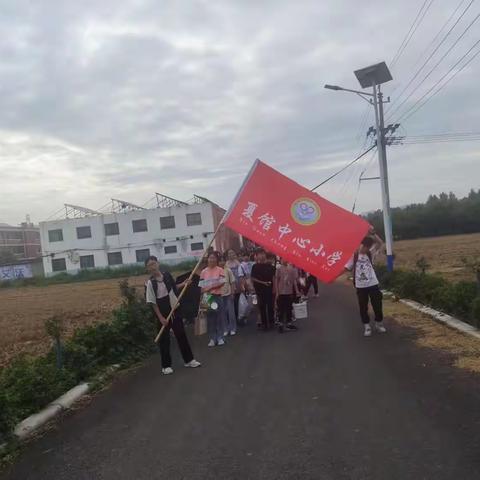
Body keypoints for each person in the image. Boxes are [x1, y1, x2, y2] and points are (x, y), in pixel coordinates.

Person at [145, 256, 201, 375]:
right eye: (149, 265)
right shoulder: (150, 283)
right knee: (164, 340)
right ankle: (166, 366)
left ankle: (189, 360)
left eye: (153, 263)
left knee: (181, 334)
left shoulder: (167, 276)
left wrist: (184, 284)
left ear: (158, 264)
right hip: (162, 311)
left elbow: (173, 288)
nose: (152, 267)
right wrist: (161, 318)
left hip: (174, 308)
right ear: (147, 268)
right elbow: (153, 303)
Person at [344, 227, 387, 337]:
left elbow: (380, 243)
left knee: (377, 304)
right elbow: (346, 268)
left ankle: (378, 323)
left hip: (373, 283)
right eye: (363, 246)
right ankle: (367, 326)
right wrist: (333, 277)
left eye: (367, 247)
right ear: (359, 245)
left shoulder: (370, 253)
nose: (365, 249)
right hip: (360, 285)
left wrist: (373, 232)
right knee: (363, 306)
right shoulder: (353, 256)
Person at [200, 252, 226, 347]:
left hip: (217, 296)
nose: (212, 259)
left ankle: (220, 337)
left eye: (214, 258)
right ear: (207, 259)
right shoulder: (203, 272)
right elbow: (202, 287)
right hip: (207, 297)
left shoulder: (220, 270)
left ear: (217, 260)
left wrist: (210, 287)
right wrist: (202, 299)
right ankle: (212, 338)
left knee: (219, 317)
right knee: (210, 319)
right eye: (210, 258)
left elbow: (222, 282)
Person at [251, 248, 277, 330]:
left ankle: (271, 322)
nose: (261, 256)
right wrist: (262, 283)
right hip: (259, 289)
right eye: (259, 254)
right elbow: (252, 278)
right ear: (256, 256)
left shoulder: (271, 267)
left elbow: (274, 278)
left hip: (269, 289)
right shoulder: (255, 267)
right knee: (261, 306)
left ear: (265, 255)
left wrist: (274, 288)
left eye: (263, 254)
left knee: (270, 306)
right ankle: (264, 324)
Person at [276, 259, 300, 333]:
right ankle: (280, 324)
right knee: (281, 309)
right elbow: (276, 280)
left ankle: (288, 324)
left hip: (289, 292)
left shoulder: (292, 269)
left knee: (289, 308)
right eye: (282, 259)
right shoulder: (279, 269)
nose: (284, 260)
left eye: (286, 258)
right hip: (281, 292)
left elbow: (294, 281)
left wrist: (297, 291)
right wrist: (277, 292)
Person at [226, 249, 246, 322]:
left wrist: (242, 284)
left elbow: (241, 274)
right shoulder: (226, 264)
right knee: (232, 301)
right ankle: (233, 317)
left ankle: (240, 316)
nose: (231, 254)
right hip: (230, 283)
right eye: (229, 253)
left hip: (238, 282)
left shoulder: (237, 262)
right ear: (227, 255)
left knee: (238, 300)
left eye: (232, 253)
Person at [219, 255, 237, 336]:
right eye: (220, 261)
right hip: (219, 295)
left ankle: (232, 328)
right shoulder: (216, 271)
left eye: (223, 260)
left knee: (231, 313)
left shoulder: (228, 270)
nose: (221, 262)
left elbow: (232, 282)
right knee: (222, 313)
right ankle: (225, 329)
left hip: (229, 294)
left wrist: (233, 293)